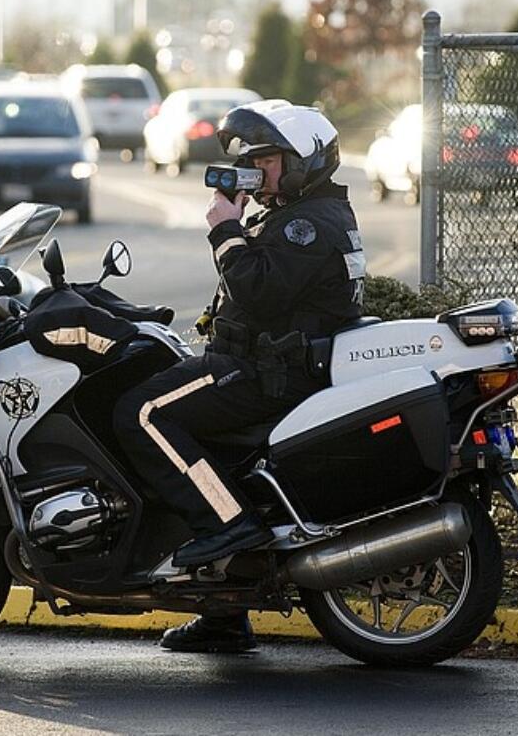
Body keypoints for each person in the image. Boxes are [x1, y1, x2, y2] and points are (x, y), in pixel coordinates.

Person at [112, 100, 366, 653]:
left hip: (262, 374)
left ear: (303, 160)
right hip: (263, 366)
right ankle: (224, 612)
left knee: (142, 412)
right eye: (250, 161)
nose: (256, 172)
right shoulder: (302, 214)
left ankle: (227, 524)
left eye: (267, 160)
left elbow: (259, 291)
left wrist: (225, 229)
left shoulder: (307, 223)